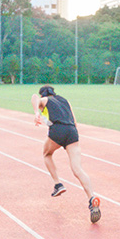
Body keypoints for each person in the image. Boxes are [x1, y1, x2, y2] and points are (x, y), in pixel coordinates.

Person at [33, 86, 101, 223]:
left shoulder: (45, 100)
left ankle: (58, 184)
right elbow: (75, 121)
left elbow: (34, 97)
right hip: (72, 131)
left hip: (58, 130)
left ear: (44, 95)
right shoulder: (65, 101)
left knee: (46, 154)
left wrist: (36, 113)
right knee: (77, 169)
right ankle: (91, 198)